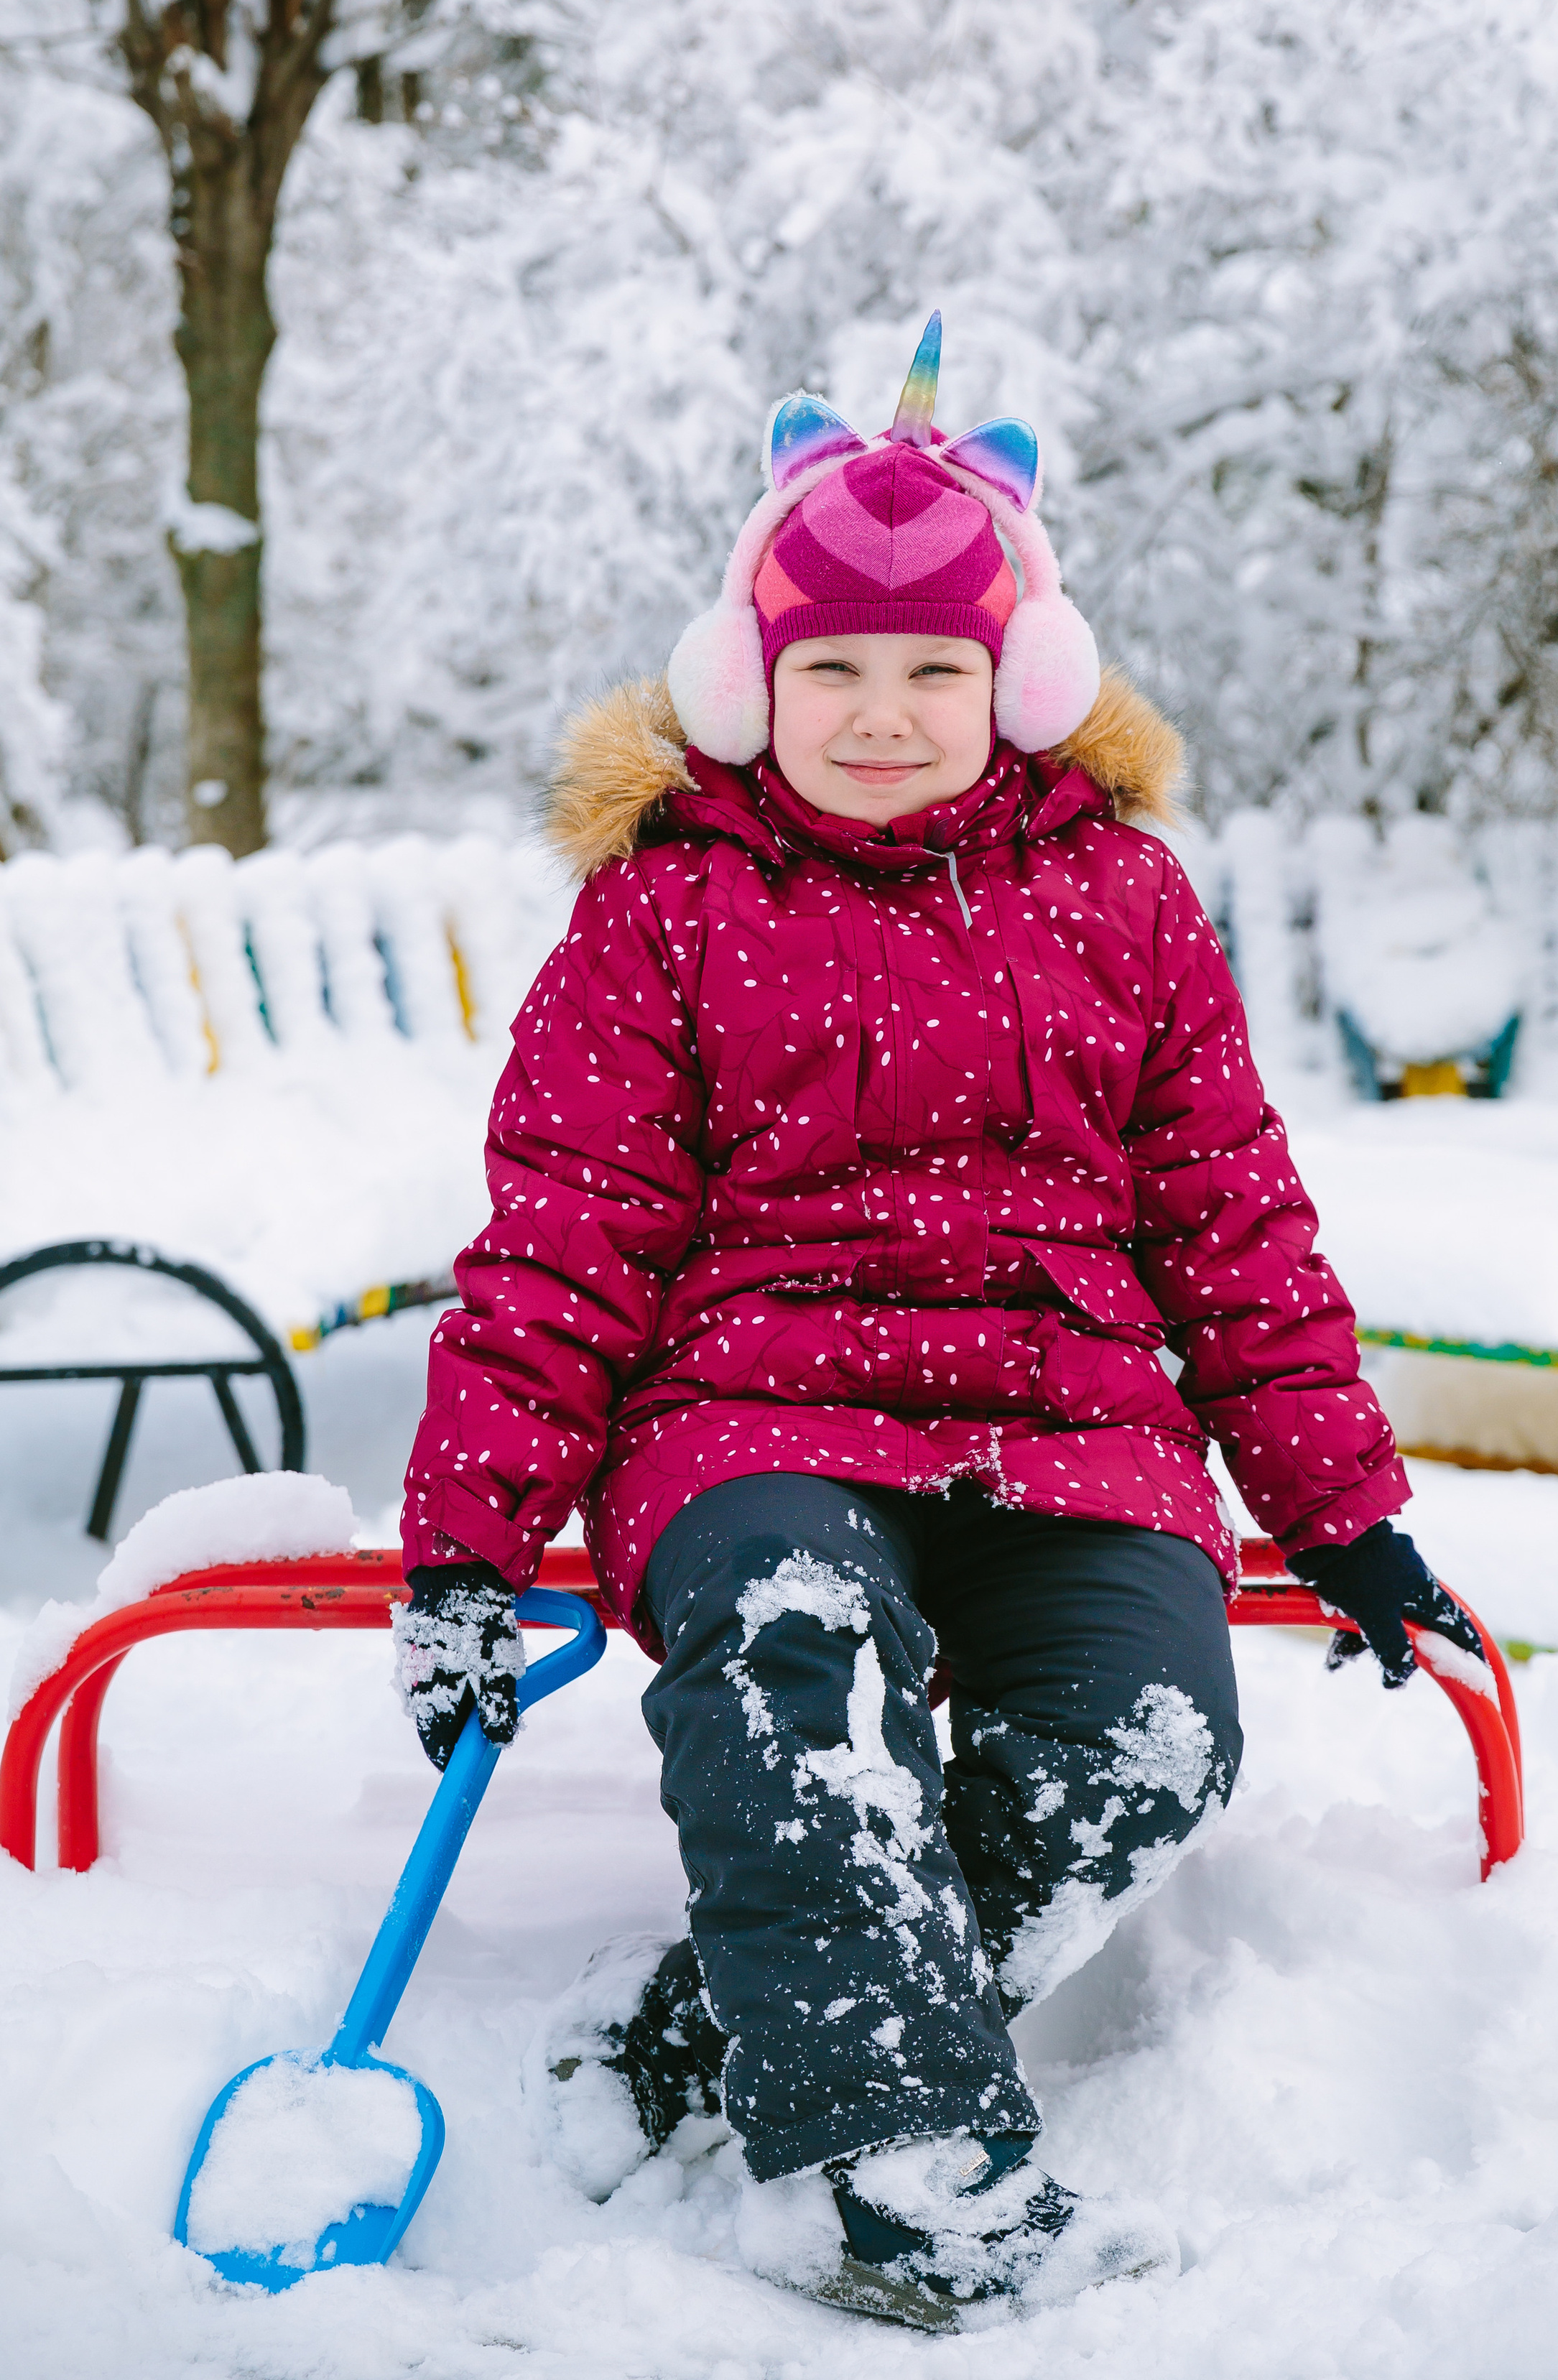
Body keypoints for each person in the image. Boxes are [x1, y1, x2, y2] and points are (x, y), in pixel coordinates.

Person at [391, 317, 1483, 2329]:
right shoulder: (665, 907)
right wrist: (466, 1541)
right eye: (832, 670)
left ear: (1014, 687)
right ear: (752, 682)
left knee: (1140, 1741)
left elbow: (1232, 1213)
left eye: (930, 673)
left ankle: (723, 2036)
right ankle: (897, 2179)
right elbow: (566, 1237)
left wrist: (1343, 1507)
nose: (880, 716)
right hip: (758, 1416)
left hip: (1068, 1426)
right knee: (802, 1667)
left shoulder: (1124, 905)